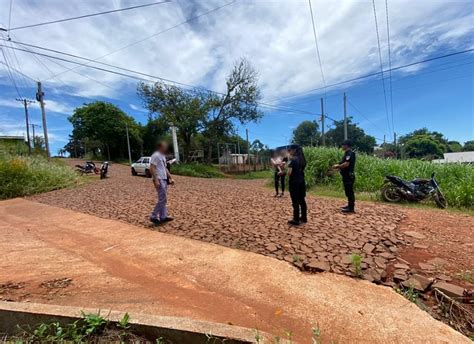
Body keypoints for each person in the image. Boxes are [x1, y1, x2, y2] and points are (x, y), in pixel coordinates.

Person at [149, 141, 174, 225]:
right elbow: (152, 167)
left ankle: (163, 216)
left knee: (164, 199)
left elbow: (164, 168)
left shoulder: (162, 156)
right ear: (160, 147)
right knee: (162, 199)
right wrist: (156, 180)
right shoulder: (156, 155)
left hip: (164, 179)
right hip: (159, 179)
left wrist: (170, 177)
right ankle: (153, 216)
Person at [333, 139, 356, 213]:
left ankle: (351, 208)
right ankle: (349, 205)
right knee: (347, 191)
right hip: (346, 175)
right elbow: (343, 162)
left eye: (343, 145)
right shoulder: (347, 153)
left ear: (346, 145)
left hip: (349, 175)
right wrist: (338, 165)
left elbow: (346, 164)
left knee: (349, 191)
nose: (342, 146)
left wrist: (338, 166)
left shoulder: (349, 153)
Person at [287, 145, 307, 225]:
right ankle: (304, 217)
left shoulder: (293, 160)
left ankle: (296, 219)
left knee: (295, 201)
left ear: (294, 150)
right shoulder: (303, 159)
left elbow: (289, 173)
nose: (289, 152)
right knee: (302, 200)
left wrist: (289, 162)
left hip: (294, 183)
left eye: (290, 150)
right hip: (301, 181)